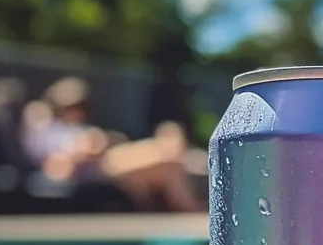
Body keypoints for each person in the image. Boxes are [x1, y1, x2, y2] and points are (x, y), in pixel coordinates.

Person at [22, 76, 205, 213]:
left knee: (170, 137)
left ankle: (192, 172)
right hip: (103, 168)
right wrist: (86, 149)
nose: (79, 112)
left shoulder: (76, 128)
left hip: (112, 158)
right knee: (169, 164)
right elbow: (57, 169)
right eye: (72, 107)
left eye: (81, 106)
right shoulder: (48, 133)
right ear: (59, 108)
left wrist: (102, 140)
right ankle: (195, 210)